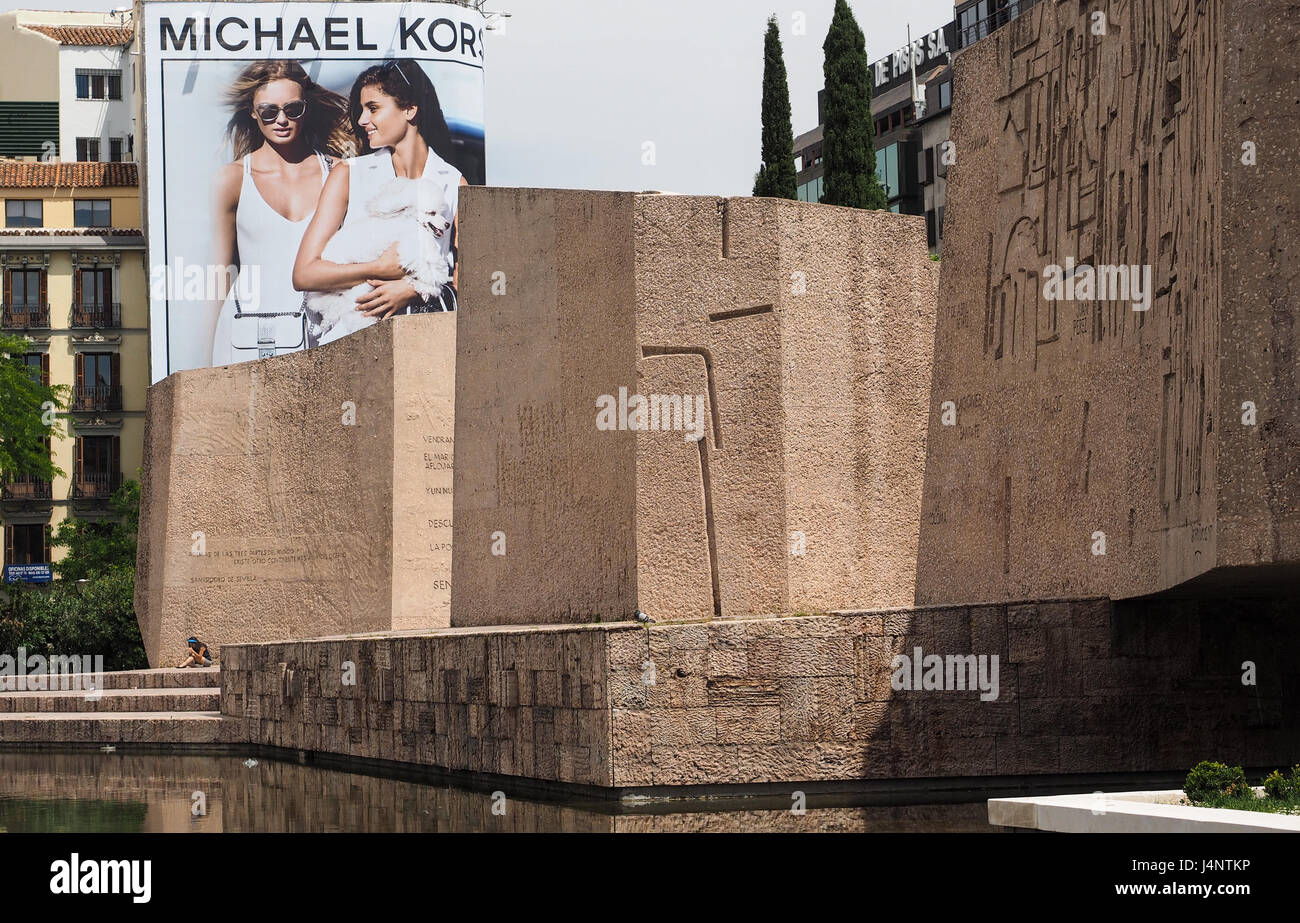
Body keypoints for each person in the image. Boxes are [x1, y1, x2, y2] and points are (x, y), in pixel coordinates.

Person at [293, 59, 467, 341]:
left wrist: (414, 289)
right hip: (348, 342)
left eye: (373, 108)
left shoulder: (452, 181)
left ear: (410, 109)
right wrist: (377, 269)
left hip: (424, 346)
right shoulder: (348, 175)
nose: (362, 121)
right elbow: (304, 273)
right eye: (361, 110)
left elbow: (468, 277)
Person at [206, 61, 355, 365]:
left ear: (306, 108)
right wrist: (203, 371)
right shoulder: (231, 179)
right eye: (269, 112)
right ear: (252, 111)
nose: (282, 120)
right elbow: (218, 279)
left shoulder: (340, 173)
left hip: (326, 334)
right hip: (246, 337)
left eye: (293, 109)